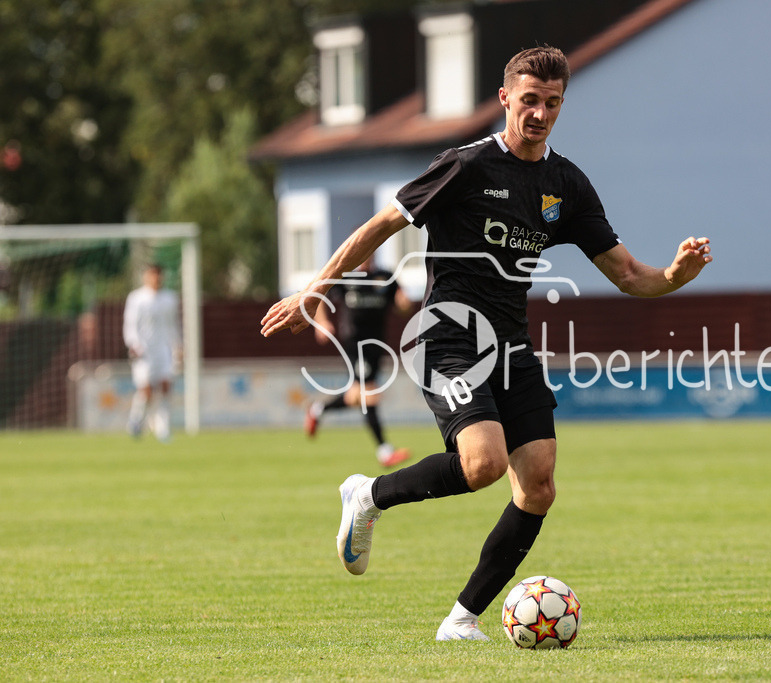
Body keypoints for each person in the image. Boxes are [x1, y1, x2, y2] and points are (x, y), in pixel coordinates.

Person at [260, 46, 712, 641]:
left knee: (539, 484)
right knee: (484, 464)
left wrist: (675, 274)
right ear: (505, 98)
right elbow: (379, 226)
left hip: (510, 345)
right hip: (445, 336)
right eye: (530, 100)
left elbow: (629, 274)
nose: (540, 114)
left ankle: (461, 620)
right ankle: (368, 494)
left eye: (553, 103)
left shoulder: (567, 185)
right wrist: (315, 289)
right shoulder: (466, 166)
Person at [305, 257, 415, 468]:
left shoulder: (385, 277)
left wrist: (404, 304)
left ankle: (317, 409)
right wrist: (322, 323)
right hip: (355, 343)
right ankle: (385, 451)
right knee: (369, 393)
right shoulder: (347, 277)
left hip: (377, 344)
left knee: (355, 396)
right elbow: (317, 293)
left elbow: (402, 305)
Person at [123, 263, 181, 442]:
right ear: (145, 277)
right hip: (144, 350)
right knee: (146, 390)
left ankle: (163, 428)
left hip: (164, 350)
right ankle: (136, 420)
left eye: (158, 275)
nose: (156, 278)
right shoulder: (136, 298)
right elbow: (130, 325)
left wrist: (178, 346)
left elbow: (172, 325)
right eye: (152, 275)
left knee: (165, 386)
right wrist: (134, 345)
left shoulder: (170, 298)